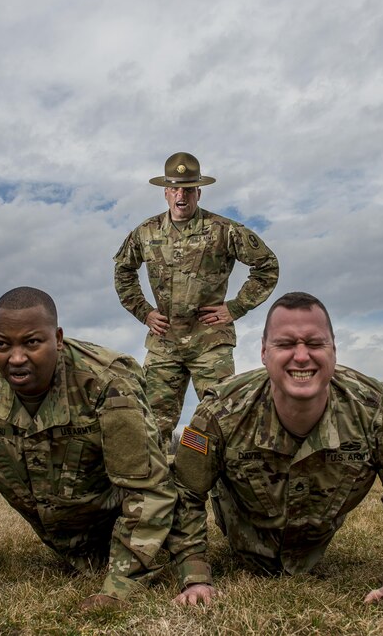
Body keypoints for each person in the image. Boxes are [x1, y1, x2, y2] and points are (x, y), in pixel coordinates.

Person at [0, 286, 176, 609]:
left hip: (121, 526)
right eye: (2, 345)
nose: (16, 358)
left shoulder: (106, 382)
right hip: (59, 539)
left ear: (58, 338)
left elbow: (147, 490)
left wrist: (119, 585)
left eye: (32, 342)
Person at [167, 292, 383, 610]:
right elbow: (185, 492)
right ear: (264, 352)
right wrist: (195, 577)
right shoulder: (221, 411)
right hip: (244, 534)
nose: (302, 356)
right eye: (286, 344)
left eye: (314, 343)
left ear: (334, 350)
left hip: (317, 536)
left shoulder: (375, 410)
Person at [114, 152, 280, 443]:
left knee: (223, 423)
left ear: (198, 193)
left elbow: (267, 265)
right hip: (165, 343)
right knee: (148, 428)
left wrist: (236, 307)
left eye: (188, 189)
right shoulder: (146, 232)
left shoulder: (223, 230)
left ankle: (216, 489)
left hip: (210, 342)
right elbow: (123, 271)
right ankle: (156, 488)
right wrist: (143, 312)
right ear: (166, 192)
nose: (181, 195)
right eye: (175, 188)